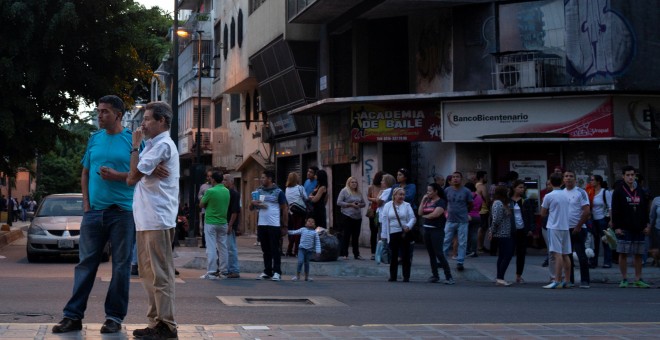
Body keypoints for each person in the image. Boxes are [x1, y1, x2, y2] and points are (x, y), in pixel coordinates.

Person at [51, 95, 137, 335]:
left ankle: (114, 318)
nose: (99, 115)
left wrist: (116, 176)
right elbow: (85, 172)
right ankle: (72, 316)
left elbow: (136, 174)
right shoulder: (94, 139)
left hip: (123, 213)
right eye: (98, 111)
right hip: (93, 214)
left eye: (105, 112)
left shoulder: (132, 140)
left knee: (120, 267)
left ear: (118, 115)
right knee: (85, 265)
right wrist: (86, 205)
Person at [127, 101, 180, 339]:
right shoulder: (152, 146)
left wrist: (135, 148)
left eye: (148, 119)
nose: (143, 124)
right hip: (145, 219)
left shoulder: (162, 145)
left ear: (162, 121)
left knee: (161, 274)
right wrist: (141, 165)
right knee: (148, 274)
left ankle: (167, 325)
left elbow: (132, 176)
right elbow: (136, 174)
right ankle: (155, 322)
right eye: (143, 119)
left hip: (158, 219)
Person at [611, 165, 652, 288]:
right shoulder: (619, 190)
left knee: (638, 254)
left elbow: (645, 209)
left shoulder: (640, 190)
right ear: (623, 176)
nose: (630, 177)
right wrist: (616, 227)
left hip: (639, 227)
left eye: (632, 175)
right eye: (628, 175)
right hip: (624, 227)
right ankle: (624, 278)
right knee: (623, 253)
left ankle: (638, 279)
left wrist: (647, 225)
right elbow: (615, 210)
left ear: (635, 176)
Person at [251, 170, 288, 281]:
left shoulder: (278, 192)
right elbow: (251, 208)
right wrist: (252, 203)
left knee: (275, 249)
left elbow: (284, 208)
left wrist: (285, 225)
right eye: (261, 178)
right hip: (262, 224)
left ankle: (277, 271)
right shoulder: (258, 191)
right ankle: (267, 271)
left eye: (263, 177)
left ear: (270, 179)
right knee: (265, 249)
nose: (261, 180)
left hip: (274, 224)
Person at [418, 183, 454, 284]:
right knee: (431, 254)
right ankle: (435, 275)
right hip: (427, 230)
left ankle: (449, 276)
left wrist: (425, 217)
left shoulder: (441, 202)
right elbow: (420, 212)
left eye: (429, 191)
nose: (427, 193)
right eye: (427, 191)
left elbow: (435, 214)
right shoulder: (427, 201)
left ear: (435, 191)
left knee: (439, 253)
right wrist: (423, 200)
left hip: (437, 230)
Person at [541, 173, 571, 289]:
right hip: (565, 226)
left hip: (554, 226)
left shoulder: (549, 196)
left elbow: (543, 213)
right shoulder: (565, 195)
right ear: (562, 182)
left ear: (551, 182)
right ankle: (567, 280)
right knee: (565, 254)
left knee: (556, 254)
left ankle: (557, 280)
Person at [199, 171, 230, 280]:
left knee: (211, 247)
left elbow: (201, 204)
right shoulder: (226, 191)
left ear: (213, 180)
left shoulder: (210, 191)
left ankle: (211, 272)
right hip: (223, 222)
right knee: (223, 247)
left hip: (211, 221)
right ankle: (224, 271)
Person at [381, 187, 416, 282]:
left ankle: (406, 276)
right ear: (394, 195)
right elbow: (384, 220)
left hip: (404, 233)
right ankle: (393, 276)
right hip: (392, 233)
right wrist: (384, 235)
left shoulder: (407, 205)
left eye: (403, 195)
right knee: (393, 255)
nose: (402, 196)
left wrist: (408, 226)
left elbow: (413, 218)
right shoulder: (388, 205)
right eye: (400, 194)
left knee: (406, 255)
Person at [563, 170, 591, 288]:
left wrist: (578, 226)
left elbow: (586, 211)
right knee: (567, 256)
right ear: (563, 179)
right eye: (566, 176)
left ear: (575, 179)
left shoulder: (581, 192)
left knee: (581, 255)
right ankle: (570, 279)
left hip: (578, 229)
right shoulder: (561, 193)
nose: (568, 178)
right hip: (565, 228)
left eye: (571, 176)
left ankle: (585, 280)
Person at [443, 171, 473, 272]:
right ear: (451, 179)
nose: (455, 179)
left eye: (457, 177)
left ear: (461, 179)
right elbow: (444, 202)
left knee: (462, 242)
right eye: (454, 177)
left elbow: (470, 204)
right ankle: (442, 260)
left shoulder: (466, 191)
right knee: (446, 240)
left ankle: (460, 262)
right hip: (450, 220)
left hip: (462, 220)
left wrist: (465, 212)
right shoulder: (447, 190)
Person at [509, 180, 536, 284]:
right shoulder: (508, 200)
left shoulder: (525, 201)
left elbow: (530, 216)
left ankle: (518, 275)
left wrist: (530, 229)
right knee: (508, 252)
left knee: (521, 253)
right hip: (511, 230)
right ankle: (501, 275)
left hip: (522, 229)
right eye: (520, 187)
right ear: (514, 188)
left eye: (523, 187)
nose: (522, 189)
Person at [488, 185, 515, 286]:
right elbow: (496, 219)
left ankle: (500, 277)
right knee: (507, 255)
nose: (509, 193)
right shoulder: (498, 203)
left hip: (504, 233)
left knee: (503, 256)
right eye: (507, 191)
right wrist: (492, 231)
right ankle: (500, 277)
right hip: (501, 233)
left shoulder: (502, 203)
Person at [336, 176, 366, 260]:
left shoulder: (358, 192)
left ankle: (356, 254)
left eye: (355, 182)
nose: (354, 184)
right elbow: (339, 202)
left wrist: (359, 205)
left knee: (356, 236)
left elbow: (364, 203)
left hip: (357, 217)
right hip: (347, 216)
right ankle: (345, 253)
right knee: (346, 235)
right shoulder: (344, 191)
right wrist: (350, 204)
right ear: (348, 183)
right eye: (352, 182)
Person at [589, 175, 612, 268]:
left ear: (598, 182)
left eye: (592, 180)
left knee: (605, 240)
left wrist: (611, 220)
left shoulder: (605, 192)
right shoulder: (591, 192)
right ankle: (593, 261)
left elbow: (610, 206)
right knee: (594, 242)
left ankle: (607, 261)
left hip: (602, 219)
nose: (591, 182)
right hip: (593, 219)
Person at [289, 217, 322, 281]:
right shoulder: (303, 229)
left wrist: (318, 251)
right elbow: (294, 232)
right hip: (301, 249)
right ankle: (297, 276)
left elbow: (317, 242)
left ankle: (306, 277)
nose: (310, 223)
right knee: (300, 262)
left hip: (309, 250)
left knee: (307, 263)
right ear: (306, 223)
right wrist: (287, 232)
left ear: (314, 224)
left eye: (312, 222)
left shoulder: (315, 233)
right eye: (309, 221)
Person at [284, 172, 308, 257]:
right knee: (299, 231)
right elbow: (306, 198)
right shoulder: (300, 188)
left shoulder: (287, 189)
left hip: (291, 212)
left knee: (294, 230)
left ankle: (289, 250)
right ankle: (296, 251)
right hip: (300, 212)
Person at [223, 173, 241, 278]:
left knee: (231, 247)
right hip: (224, 222)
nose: (223, 182)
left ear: (231, 182)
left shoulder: (234, 194)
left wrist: (230, 225)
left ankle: (234, 269)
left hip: (229, 224)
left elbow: (235, 211)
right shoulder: (225, 193)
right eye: (223, 180)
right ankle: (228, 269)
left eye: (226, 180)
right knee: (225, 247)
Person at [366, 171, 384, 260]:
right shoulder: (371, 187)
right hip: (374, 211)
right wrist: (376, 199)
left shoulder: (384, 188)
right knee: (374, 232)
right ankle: (373, 252)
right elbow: (368, 197)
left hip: (382, 211)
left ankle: (382, 252)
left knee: (382, 232)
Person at [464, 182, 483, 258]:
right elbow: (480, 208)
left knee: (467, 234)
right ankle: (474, 251)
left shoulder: (466, 196)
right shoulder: (479, 197)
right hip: (477, 216)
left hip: (468, 216)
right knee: (474, 234)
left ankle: (467, 250)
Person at [475, 171, 490, 255]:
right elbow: (486, 198)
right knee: (482, 229)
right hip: (483, 210)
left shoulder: (476, 185)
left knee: (482, 228)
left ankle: (480, 246)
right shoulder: (482, 186)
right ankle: (479, 247)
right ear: (482, 177)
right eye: (485, 177)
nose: (486, 178)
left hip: (478, 210)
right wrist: (489, 205)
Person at [197, 170, 213, 248]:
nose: (209, 178)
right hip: (205, 210)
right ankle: (204, 243)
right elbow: (199, 195)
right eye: (208, 176)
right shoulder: (203, 186)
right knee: (204, 227)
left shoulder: (215, 186)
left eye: (211, 176)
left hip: (213, 210)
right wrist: (203, 199)